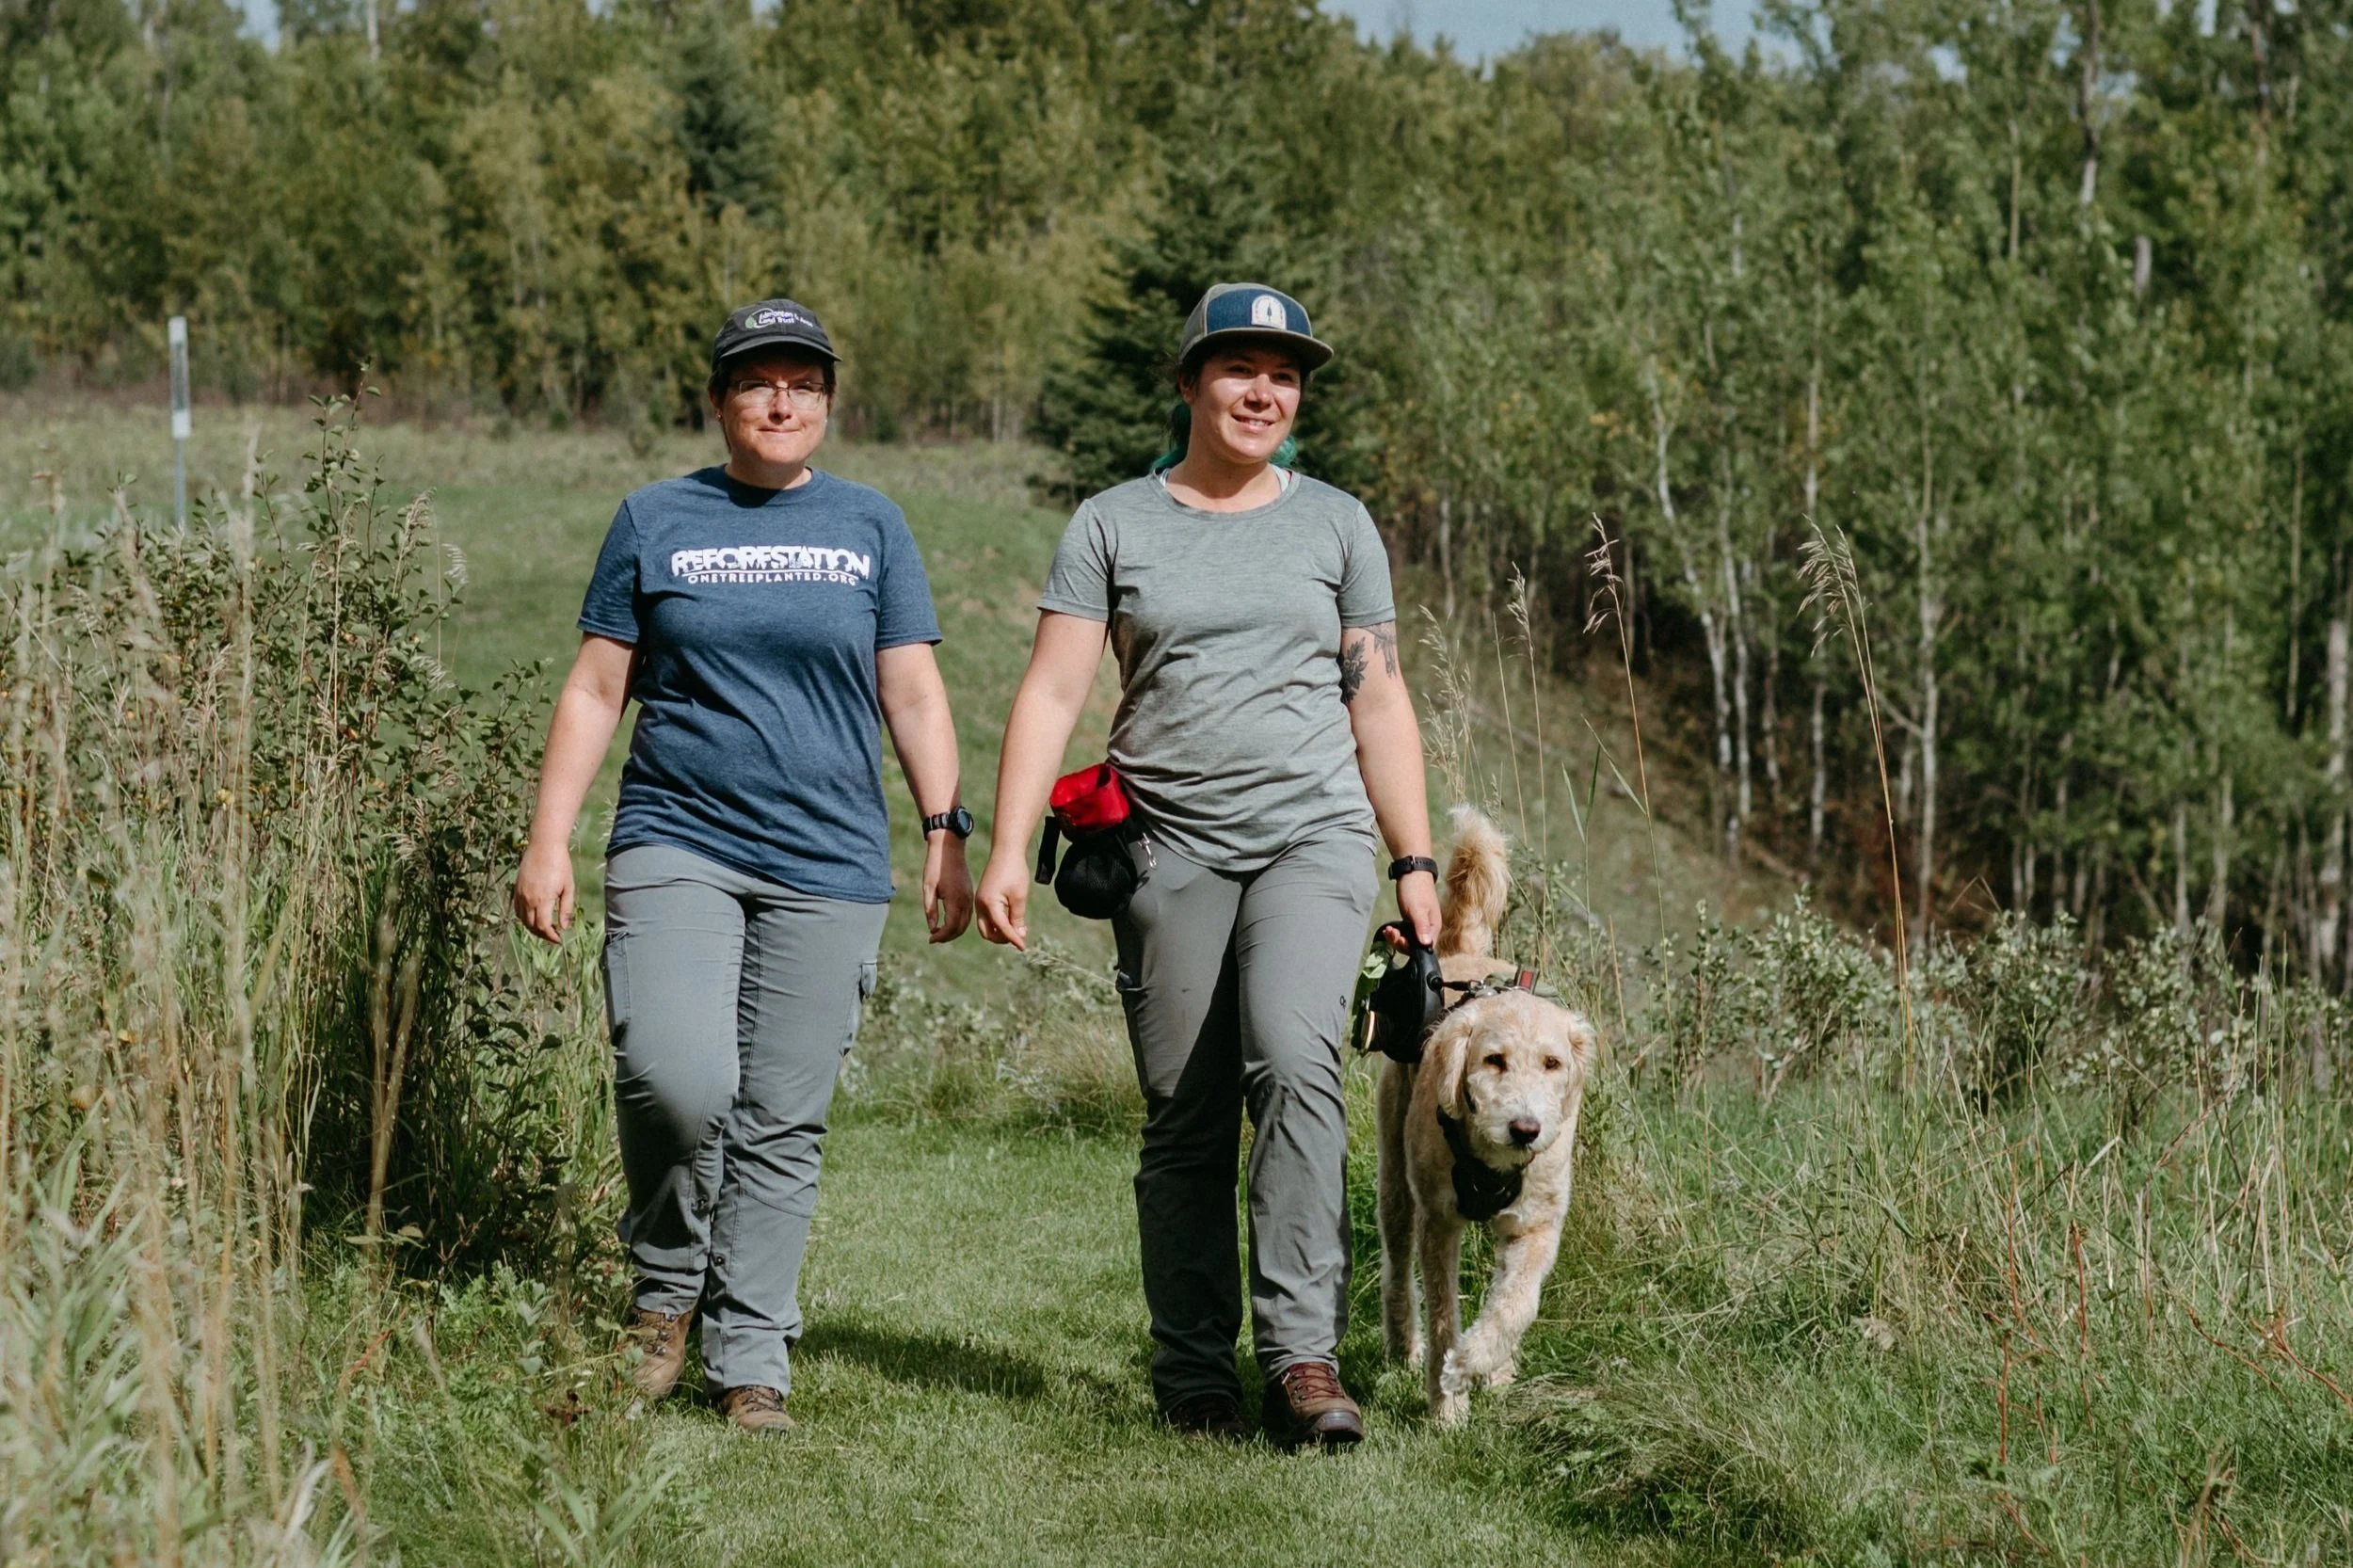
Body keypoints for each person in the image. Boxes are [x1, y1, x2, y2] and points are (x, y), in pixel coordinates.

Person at [975, 282, 1441, 1448]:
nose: (1262, 391)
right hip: (1167, 845)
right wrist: (1003, 844)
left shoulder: (1336, 523)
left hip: (1311, 836)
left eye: (1282, 375)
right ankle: (1192, 1368)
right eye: (1238, 368)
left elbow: (1377, 695)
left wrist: (1414, 856)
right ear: (1188, 383)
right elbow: (1052, 688)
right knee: (1183, 1111)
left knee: (1293, 1062)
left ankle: (1301, 1360)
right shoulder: (1112, 525)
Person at [511, 298, 974, 1433]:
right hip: (679, 836)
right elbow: (594, 685)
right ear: (719, 401)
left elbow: (910, 689)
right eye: (758, 381)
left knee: (779, 1116)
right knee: (675, 1075)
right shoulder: (655, 517)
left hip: (830, 857)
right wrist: (547, 835)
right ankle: (665, 1289)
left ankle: (750, 1353)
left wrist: (944, 829)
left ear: (826, 403)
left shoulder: (872, 525)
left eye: (803, 383)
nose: (781, 401)